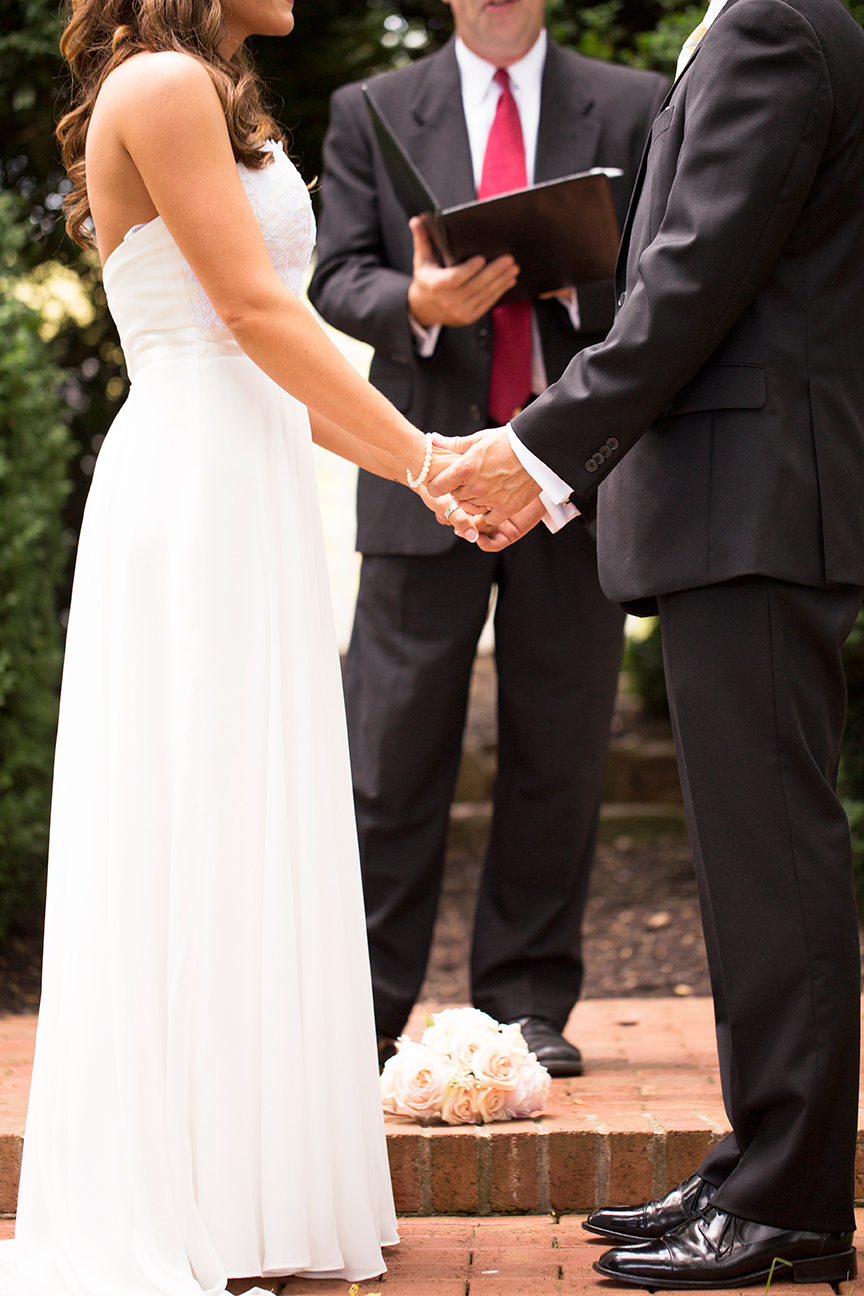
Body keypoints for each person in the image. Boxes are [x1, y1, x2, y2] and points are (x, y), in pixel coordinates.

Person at [0, 0, 479, 1290]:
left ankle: (258, 1198)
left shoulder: (220, 90)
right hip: (193, 493)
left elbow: (281, 349)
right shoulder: (157, 83)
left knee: (257, 815)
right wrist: (429, 462)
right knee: (200, 813)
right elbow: (258, 320)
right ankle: (192, 1197)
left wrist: (424, 469)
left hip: (251, 476)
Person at [428, 0, 864, 1283]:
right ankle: (763, 1160)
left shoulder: (774, 28)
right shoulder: (772, 24)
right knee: (751, 857)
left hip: (755, 500)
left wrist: (538, 451)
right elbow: (710, 266)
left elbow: (694, 281)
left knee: (772, 856)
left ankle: (789, 1197)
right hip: (750, 502)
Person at [308, 0, 668, 1076]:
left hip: (572, 481)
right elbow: (335, 276)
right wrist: (418, 302)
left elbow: (668, 273)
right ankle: (364, 1006)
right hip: (424, 475)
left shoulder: (636, 104)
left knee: (558, 750)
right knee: (390, 755)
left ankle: (525, 1003)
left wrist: (577, 280)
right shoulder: (370, 108)